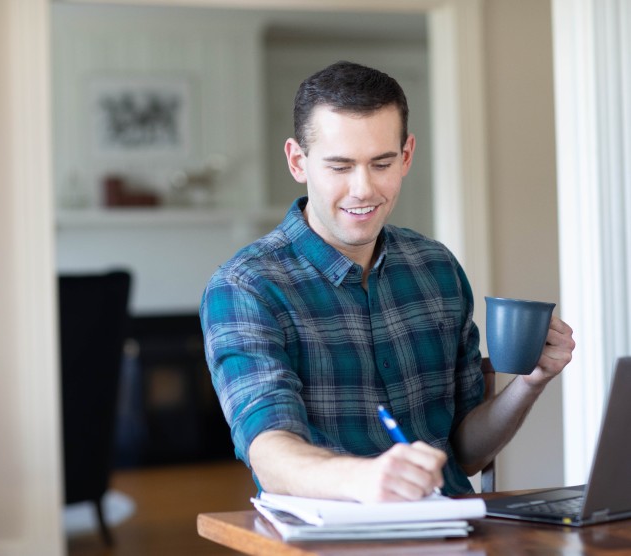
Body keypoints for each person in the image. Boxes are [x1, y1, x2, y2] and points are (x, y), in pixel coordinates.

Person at [200, 61, 575, 503]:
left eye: (382, 163)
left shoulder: (437, 268)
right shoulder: (246, 286)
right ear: (298, 161)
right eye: (340, 167)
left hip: (452, 529)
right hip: (331, 538)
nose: (363, 189)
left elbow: (464, 455)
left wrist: (531, 381)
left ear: (407, 155)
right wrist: (365, 480)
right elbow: (269, 451)